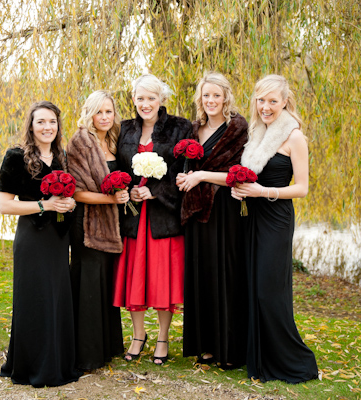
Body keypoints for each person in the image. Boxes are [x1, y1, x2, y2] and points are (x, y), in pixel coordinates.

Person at [231, 75, 318, 383]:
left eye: (272, 101)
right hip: (250, 216)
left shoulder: (294, 136)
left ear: (285, 102)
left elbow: (303, 188)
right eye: (260, 100)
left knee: (270, 291)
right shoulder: (257, 132)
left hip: (276, 218)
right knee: (252, 287)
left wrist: (262, 192)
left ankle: (291, 360)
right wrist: (241, 188)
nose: (265, 107)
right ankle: (258, 356)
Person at [0, 100, 82, 387]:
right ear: (31, 126)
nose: (47, 127)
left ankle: (56, 363)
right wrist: (45, 205)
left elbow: (65, 201)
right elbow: (4, 206)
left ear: (58, 127)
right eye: (41, 122)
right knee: (34, 300)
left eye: (52, 122)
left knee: (56, 298)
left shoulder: (63, 158)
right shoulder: (15, 157)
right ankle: (32, 366)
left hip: (58, 240)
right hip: (32, 240)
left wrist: (67, 204)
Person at [113, 74, 191, 365]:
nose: (146, 104)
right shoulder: (124, 130)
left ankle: (162, 337)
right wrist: (126, 189)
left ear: (162, 100)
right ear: (133, 99)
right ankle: (137, 335)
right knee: (135, 277)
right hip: (133, 217)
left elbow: (183, 169)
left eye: (152, 98)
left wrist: (154, 190)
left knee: (161, 280)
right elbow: (115, 166)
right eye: (140, 98)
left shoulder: (180, 127)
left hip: (162, 215)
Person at [176, 72, 249, 369]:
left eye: (216, 95)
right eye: (206, 95)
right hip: (197, 211)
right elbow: (187, 170)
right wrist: (185, 177)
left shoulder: (238, 128)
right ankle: (205, 345)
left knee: (226, 274)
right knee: (201, 274)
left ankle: (229, 349)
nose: (211, 101)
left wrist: (201, 176)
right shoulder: (194, 128)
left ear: (226, 97)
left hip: (226, 210)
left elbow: (240, 174)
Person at [66, 90, 128, 370]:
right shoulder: (81, 142)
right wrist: (111, 199)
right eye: (99, 112)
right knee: (88, 284)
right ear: (89, 113)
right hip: (86, 224)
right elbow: (76, 193)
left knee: (105, 283)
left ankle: (107, 347)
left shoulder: (114, 141)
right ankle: (87, 354)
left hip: (111, 225)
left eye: (109, 112)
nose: (104, 117)